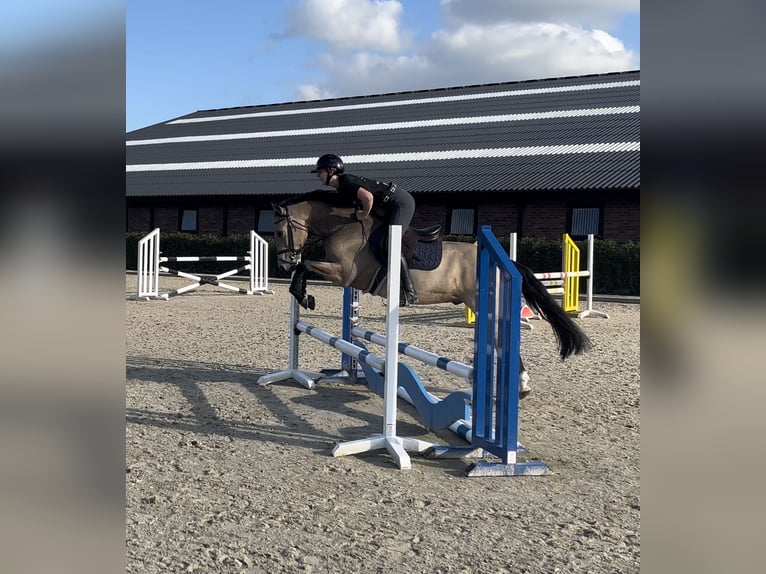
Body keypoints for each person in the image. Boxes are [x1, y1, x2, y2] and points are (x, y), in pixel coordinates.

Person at [311, 153, 418, 305]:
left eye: (320, 172)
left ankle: (409, 292)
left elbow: (368, 198)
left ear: (331, 171)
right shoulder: (342, 187)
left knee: (390, 243)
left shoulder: (346, 182)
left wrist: (363, 214)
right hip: (388, 206)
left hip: (400, 203)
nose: (318, 176)